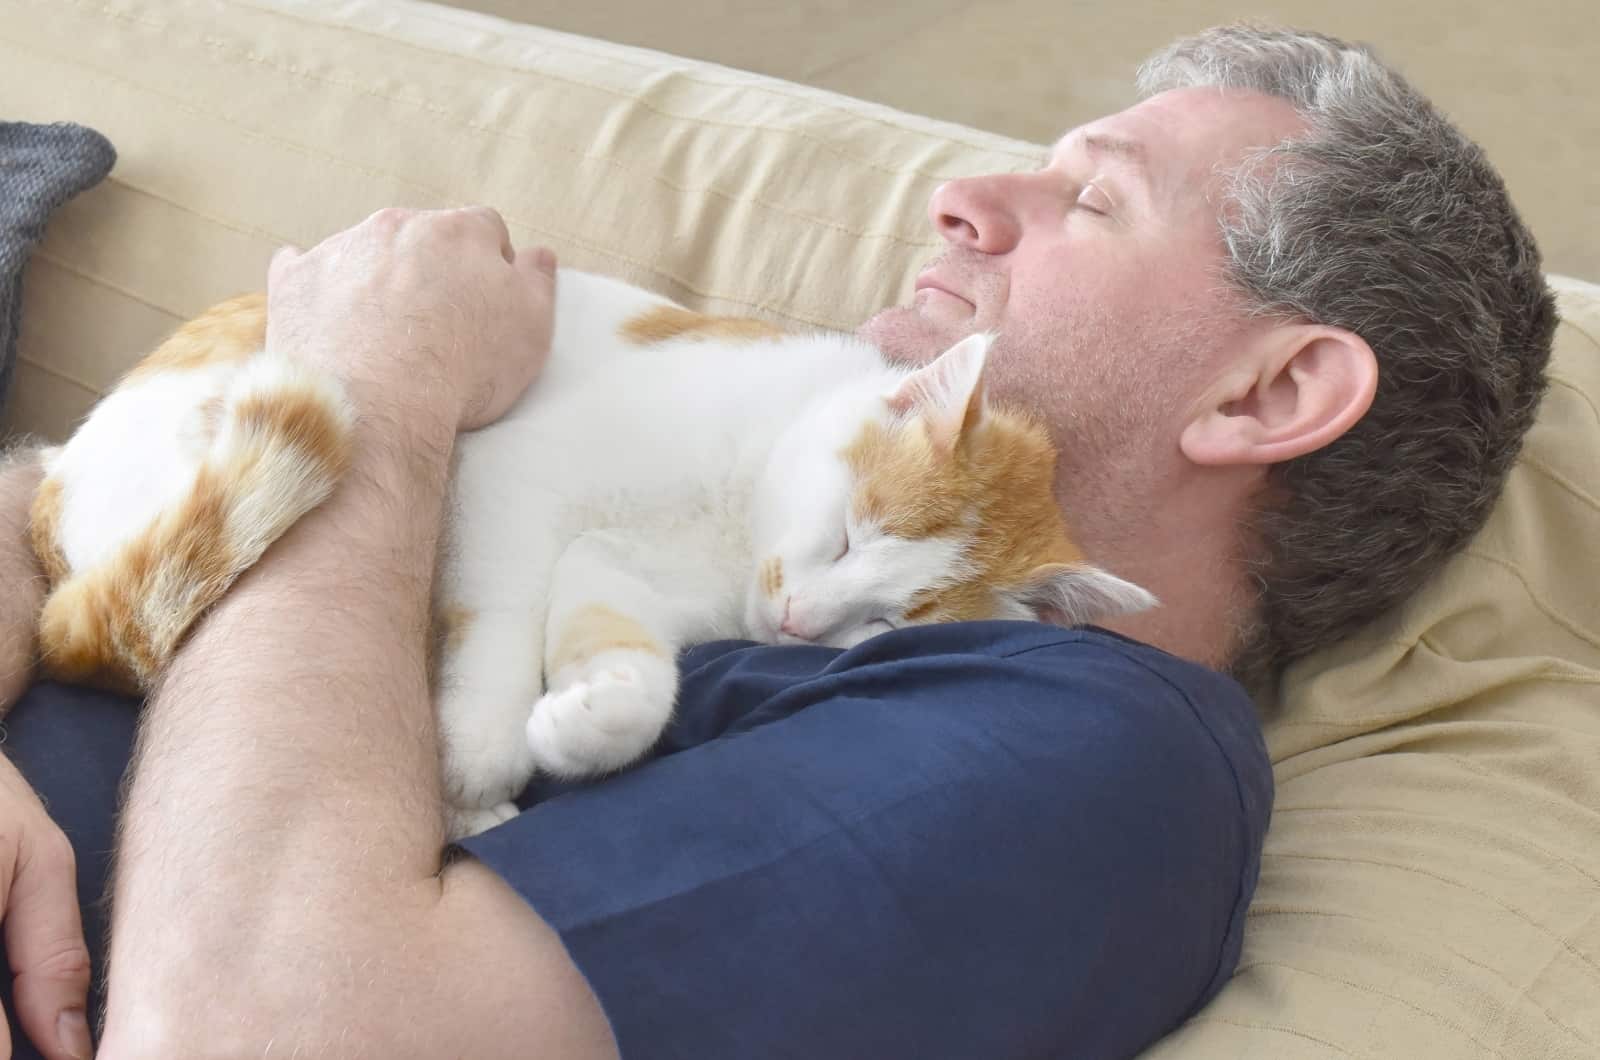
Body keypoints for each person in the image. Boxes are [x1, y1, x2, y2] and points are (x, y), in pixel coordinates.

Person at [0, 23, 1555, 1060]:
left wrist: (362, 389)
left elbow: (248, 1036)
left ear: (1275, 388)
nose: (962, 198)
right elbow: (37, 502)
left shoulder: (1087, 757)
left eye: (1092, 198)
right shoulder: (754, 467)